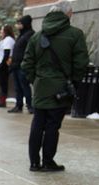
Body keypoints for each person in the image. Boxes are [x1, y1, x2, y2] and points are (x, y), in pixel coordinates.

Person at [23, 1, 88, 172]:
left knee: (37, 123)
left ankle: (34, 162)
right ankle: (48, 161)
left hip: (41, 87)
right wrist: (73, 81)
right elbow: (81, 63)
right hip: (60, 88)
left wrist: (35, 80)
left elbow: (27, 63)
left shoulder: (36, 37)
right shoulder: (75, 35)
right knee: (53, 126)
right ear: (68, 14)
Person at [10, 16, 35, 113]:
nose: (18, 26)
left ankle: (29, 105)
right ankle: (18, 105)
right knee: (18, 87)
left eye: (20, 24)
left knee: (25, 86)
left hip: (22, 66)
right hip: (16, 65)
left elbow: (30, 51)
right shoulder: (21, 35)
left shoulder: (29, 35)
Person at [0, 25, 16, 107]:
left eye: (2, 30)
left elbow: (6, 53)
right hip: (2, 63)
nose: (0, 31)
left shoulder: (8, 40)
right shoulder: (5, 40)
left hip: (4, 65)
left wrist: (2, 65)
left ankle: (2, 101)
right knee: (2, 83)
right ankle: (2, 100)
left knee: (3, 83)